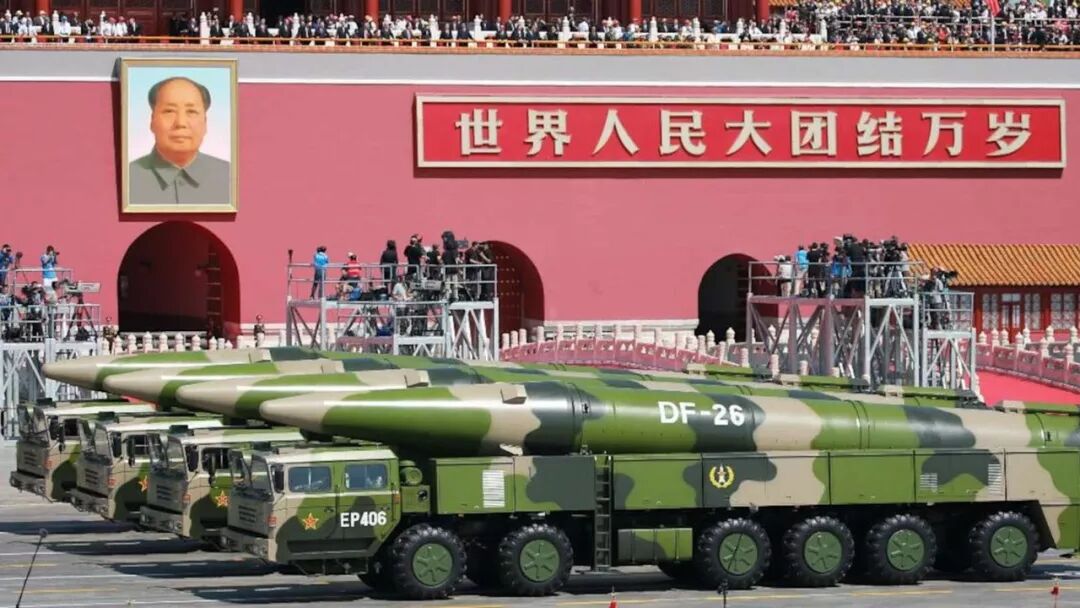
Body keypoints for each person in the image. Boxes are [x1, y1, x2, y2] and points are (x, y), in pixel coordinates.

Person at [128, 76, 231, 206]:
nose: (180, 123)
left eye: (191, 111)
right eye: (169, 111)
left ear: (205, 123)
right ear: (152, 121)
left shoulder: (231, 177)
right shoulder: (126, 178)